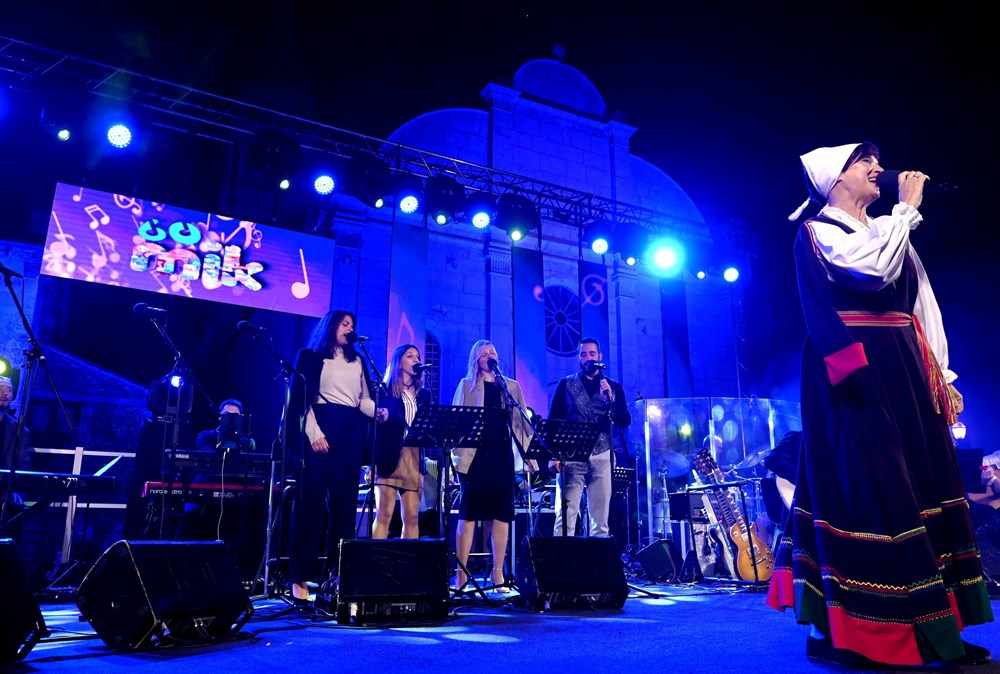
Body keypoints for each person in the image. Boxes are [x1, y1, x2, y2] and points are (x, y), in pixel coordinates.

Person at [768, 142, 994, 668]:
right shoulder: (819, 231)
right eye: (862, 162)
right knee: (870, 493)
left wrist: (939, 372)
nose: (877, 168)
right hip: (853, 374)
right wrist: (906, 211)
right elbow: (869, 271)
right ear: (834, 180)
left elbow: (921, 305)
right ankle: (861, 634)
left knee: (923, 488)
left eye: (876, 160)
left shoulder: (888, 231)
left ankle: (937, 630)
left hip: (903, 370)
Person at [287, 309, 387, 603]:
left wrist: (378, 412)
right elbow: (301, 400)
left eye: (352, 324)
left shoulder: (358, 361)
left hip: (349, 432)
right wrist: (314, 433)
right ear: (330, 326)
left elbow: (363, 400)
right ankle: (299, 578)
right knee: (310, 505)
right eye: (344, 324)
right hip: (321, 424)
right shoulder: (311, 357)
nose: (349, 328)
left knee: (344, 507)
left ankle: (336, 577)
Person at [451, 340, 534, 593]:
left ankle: (498, 573)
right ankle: (461, 575)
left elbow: (521, 423)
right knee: (468, 514)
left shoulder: (510, 386)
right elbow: (455, 420)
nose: (490, 355)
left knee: (501, 513)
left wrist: (529, 454)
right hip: (474, 458)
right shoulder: (466, 385)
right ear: (476, 359)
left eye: (493, 352)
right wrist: (455, 459)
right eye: (484, 353)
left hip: (500, 456)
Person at [548, 337, 630, 537]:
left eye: (592, 354)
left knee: (600, 520)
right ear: (578, 358)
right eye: (583, 354)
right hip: (571, 454)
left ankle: (597, 557)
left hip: (602, 454)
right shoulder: (566, 384)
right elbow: (553, 421)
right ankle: (560, 556)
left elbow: (624, 421)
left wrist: (611, 400)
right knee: (565, 516)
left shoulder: (613, 386)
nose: (588, 358)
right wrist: (553, 455)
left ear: (599, 357)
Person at [371, 344, 432, 540]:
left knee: (412, 516)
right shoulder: (385, 391)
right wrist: (372, 464)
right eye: (410, 356)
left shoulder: (424, 394)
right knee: (384, 514)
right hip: (389, 455)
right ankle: (377, 557)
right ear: (399, 361)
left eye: (417, 357)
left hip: (413, 456)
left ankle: (408, 558)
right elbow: (377, 430)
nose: (416, 360)